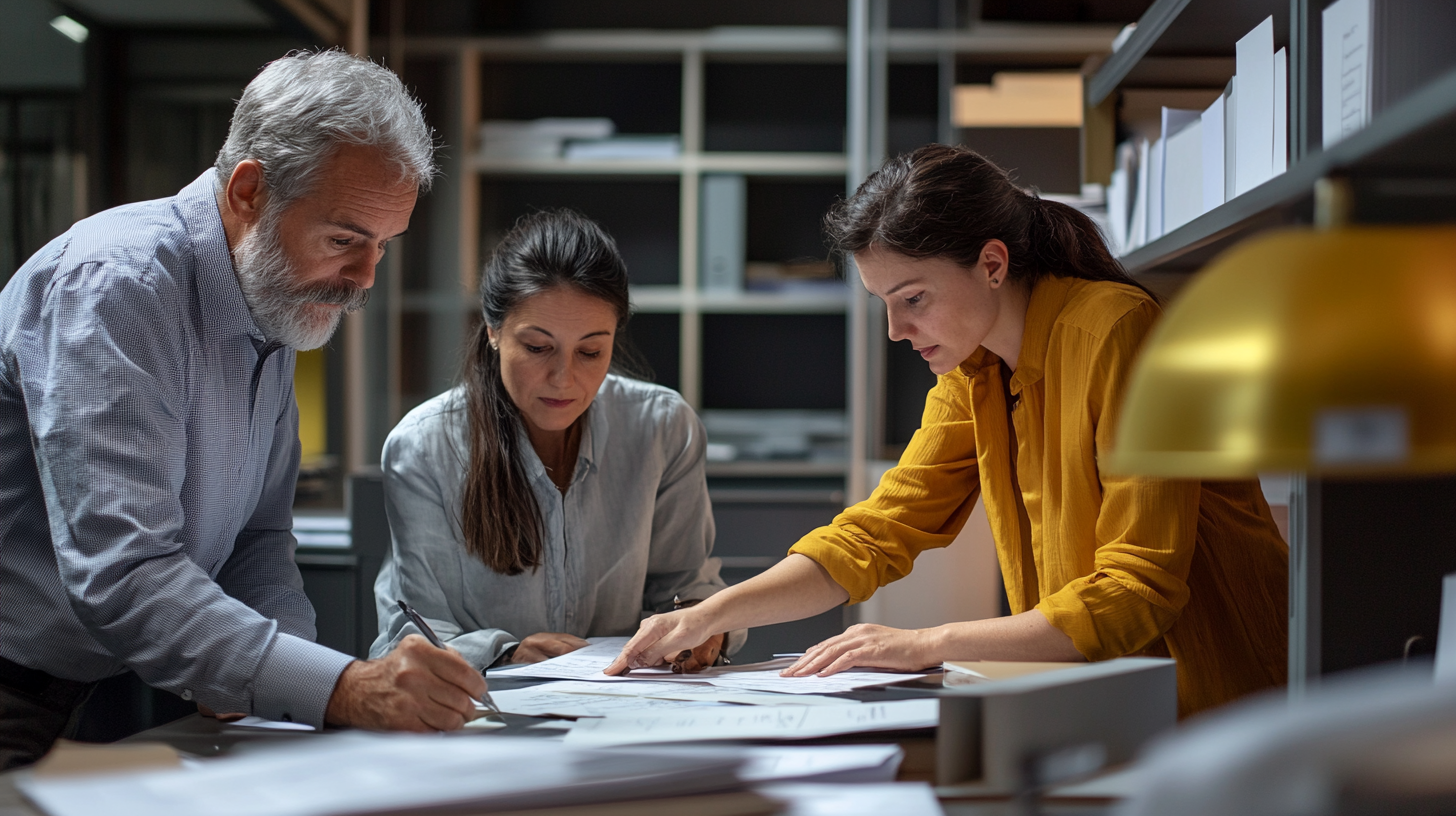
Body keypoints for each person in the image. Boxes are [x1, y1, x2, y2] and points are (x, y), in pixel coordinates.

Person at [608, 144, 1289, 716]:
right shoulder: (975, 370)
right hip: (1096, 701)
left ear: (992, 265)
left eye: (913, 300)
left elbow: (1137, 591)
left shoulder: (1116, 329)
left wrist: (927, 642)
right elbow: (875, 533)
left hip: (1213, 708)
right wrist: (713, 615)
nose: (896, 331)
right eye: (884, 304)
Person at [0, 50, 487, 769]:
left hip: (107, 678)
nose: (363, 281)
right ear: (250, 191)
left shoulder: (271, 290)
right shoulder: (118, 285)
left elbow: (258, 538)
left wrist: (281, 687)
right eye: (346, 240)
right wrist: (342, 689)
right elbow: (125, 573)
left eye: (383, 246)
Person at [371, 209, 741, 672]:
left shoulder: (662, 427)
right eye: (537, 347)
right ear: (492, 330)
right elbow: (414, 634)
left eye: (590, 351)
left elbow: (688, 586)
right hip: (486, 713)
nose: (564, 379)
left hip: (626, 706)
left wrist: (706, 626)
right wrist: (507, 654)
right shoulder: (423, 447)